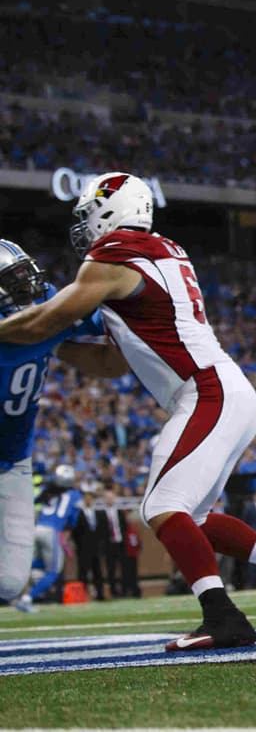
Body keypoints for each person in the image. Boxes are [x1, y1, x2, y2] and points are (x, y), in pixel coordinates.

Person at [0, 173, 256, 649]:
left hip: (206, 393)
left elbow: (50, 317)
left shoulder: (115, 253)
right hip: (222, 391)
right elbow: (110, 363)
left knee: (161, 507)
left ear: (110, 210)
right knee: (190, 520)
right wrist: (49, 340)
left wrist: (32, 330)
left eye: (86, 213)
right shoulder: (154, 253)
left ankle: (222, 617)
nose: (81, 226)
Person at [0, 239, 107, 613]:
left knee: (10, 582)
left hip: (14, 459)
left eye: (23, 275)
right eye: (13, 282)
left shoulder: (44, 304)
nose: (29, 286)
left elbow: (105, 322)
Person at [27, 465, 86, 605]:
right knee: (53, 570)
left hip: (37, 528)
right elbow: (73, 521)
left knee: (40, 564)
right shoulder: (75, 495)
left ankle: (20, 568)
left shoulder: (46, 490)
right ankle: (28, 597)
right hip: (52, 531)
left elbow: (33, 501)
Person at [96, 484, 129, 599]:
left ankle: (125, 590)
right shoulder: (100, 513)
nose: (109, 499)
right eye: (107, 497)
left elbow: (124, 527)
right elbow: (100, 531)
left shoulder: (119, 512)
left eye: (111, 497)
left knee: (124, 567)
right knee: (111, 569)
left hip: (120, 542)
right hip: (109, 544)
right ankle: (113, 591)